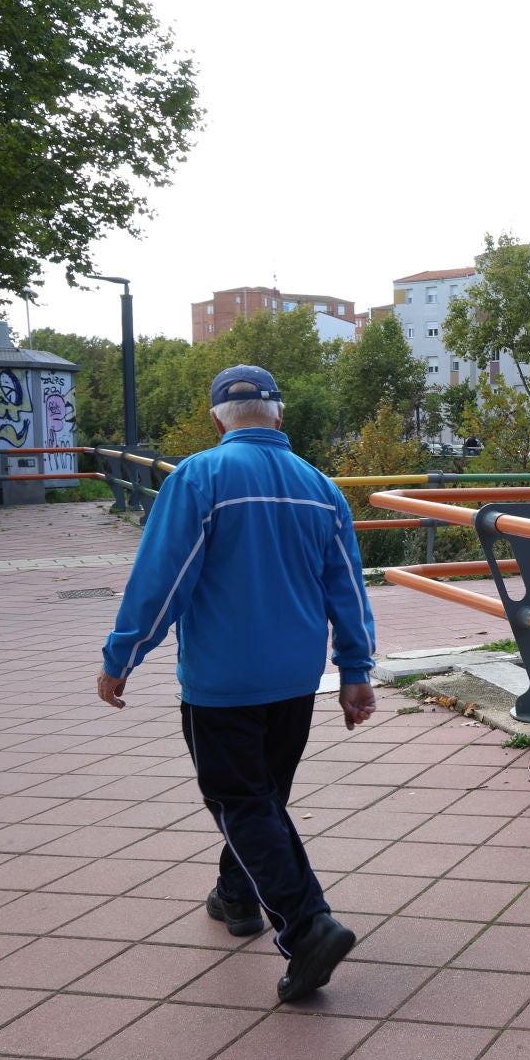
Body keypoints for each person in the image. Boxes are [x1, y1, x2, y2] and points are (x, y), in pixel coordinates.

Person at [96, 365, 375, 1002]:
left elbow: (163, 580)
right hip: (296, 681)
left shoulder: (199, 476)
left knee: (240, 802)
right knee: (260, 799)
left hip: (223, 681)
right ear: (279, 415)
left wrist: (123, 656)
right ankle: (236, 896)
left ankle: (308, 928)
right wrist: (355, 671)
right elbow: (347, 588)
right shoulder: (321, 487)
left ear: (216, 416)